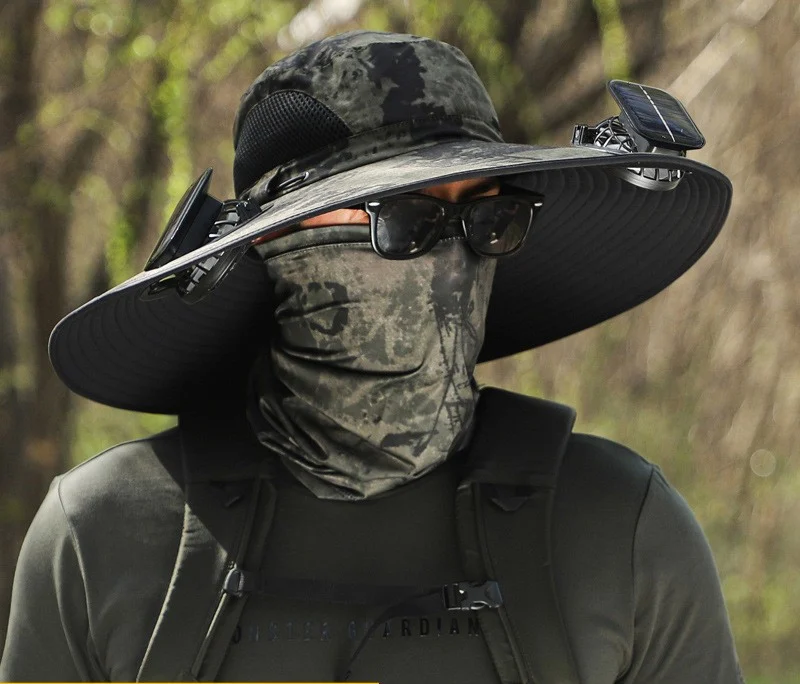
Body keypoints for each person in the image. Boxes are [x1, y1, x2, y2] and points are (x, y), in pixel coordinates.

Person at [0, 30, 743, 683]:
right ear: (279, 243)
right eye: (405, 218)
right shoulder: (103, 534)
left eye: (489, 218)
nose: (451, 264)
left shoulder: (621, 528)